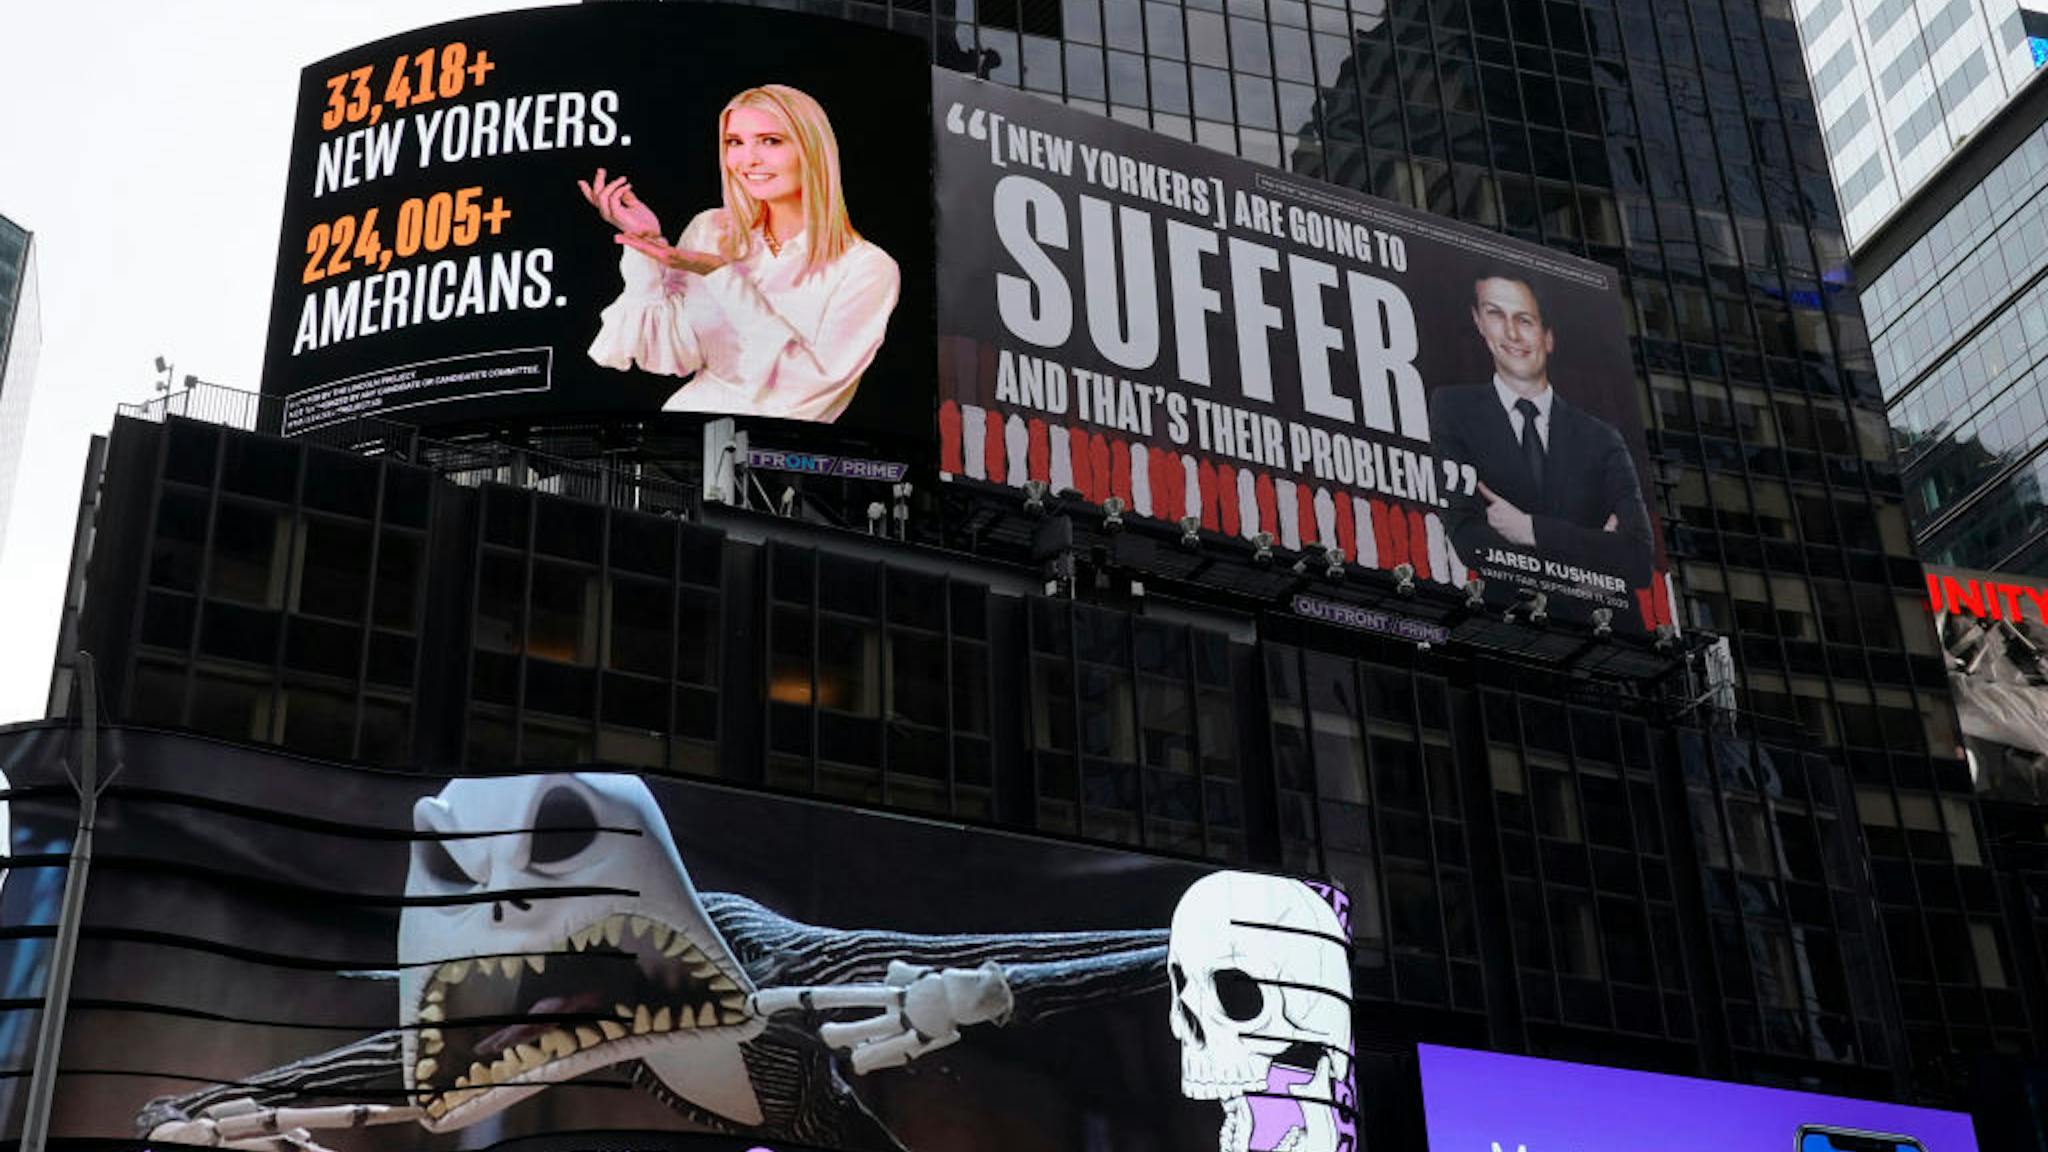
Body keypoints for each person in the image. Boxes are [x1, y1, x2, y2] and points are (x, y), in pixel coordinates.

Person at [580, 84, 900, 423]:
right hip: (678, 440)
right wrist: (647, 244)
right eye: (735, 142)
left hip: (770, 460)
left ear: (812, 149)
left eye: (771, 141)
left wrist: (722, 276)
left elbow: (804, 390)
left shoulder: (867, 268)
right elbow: (674, 353)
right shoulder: (711, 229)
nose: (748, 160)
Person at [1429, 271, 1654, 592]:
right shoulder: (1452, 408)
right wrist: (1593, 552)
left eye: (1524, 320)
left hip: (1599, 623)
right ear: (1478, 321)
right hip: (1504, 616)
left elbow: (1637, 561)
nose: (1511, 333)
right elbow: (1467, 540)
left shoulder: (1603, 439)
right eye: (1495, 314)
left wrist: (1531, 530)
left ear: (1548, 337)